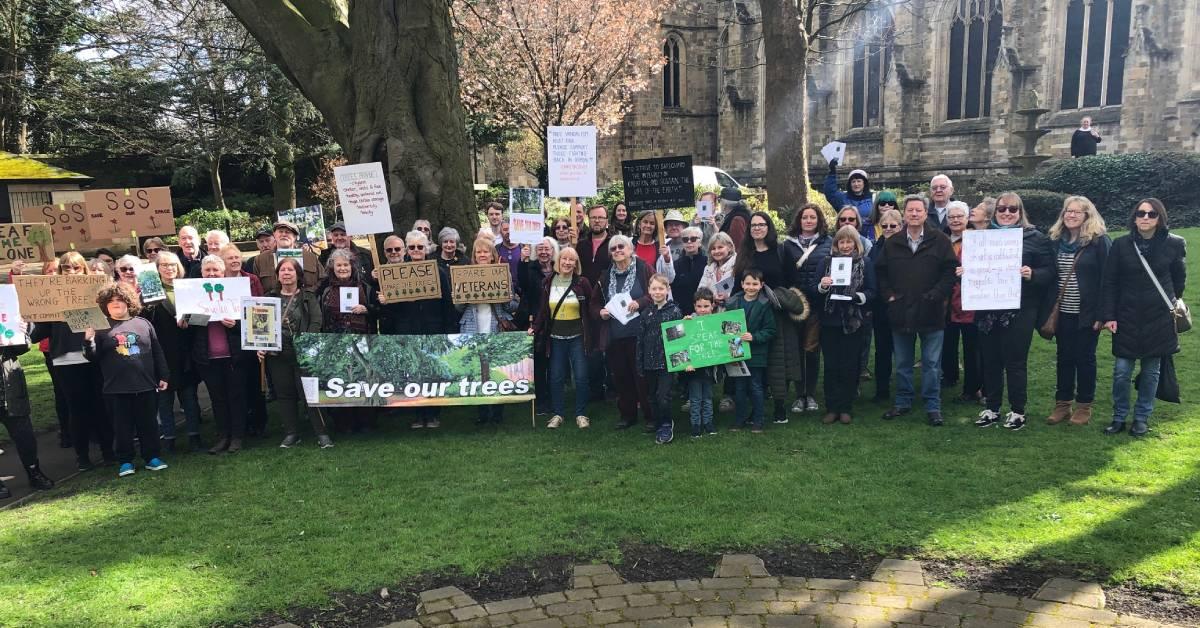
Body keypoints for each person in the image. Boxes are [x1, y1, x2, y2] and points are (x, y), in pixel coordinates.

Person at [1098, 198, 1186, 437]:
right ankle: (1119, 417)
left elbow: (1179, 280)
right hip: (1126, 315)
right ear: (1134, 217)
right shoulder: (1121, 245)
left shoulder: (1174, 244)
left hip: (1158, 317)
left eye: (1151, 214)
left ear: (1160, 218)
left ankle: (1141, 417)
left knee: (1151, 371)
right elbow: (1110, 282)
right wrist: (1109, 315)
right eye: (1140, 213)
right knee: (1122, 371)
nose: (1145, 218)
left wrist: (1168, 303)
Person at [969, 192, 1054, 431]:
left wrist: (1033, 274)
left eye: (1012, 209)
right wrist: (966, 273)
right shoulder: (983, 238)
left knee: (1015, 361)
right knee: (991, 360)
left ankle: (1017, 410)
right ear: (995, 212)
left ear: (1020, 212)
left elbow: (1050, 272)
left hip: (1020, 309)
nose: (1007, 213)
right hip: (988, 309)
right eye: (1002, 209)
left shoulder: (1035, 238)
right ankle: (992, 407)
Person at [876, 195, 957, 426]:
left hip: (931, 310)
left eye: (918, 211)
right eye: (910, 210)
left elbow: (950, 271)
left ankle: (933, 405)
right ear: (904, 214)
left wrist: (937, 294)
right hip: (900, 310)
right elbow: (881, 272)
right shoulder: (892, 242)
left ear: (925, 213)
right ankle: (903, 401)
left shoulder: (940, 240)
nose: (914, 214)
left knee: (932, 363)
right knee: (903, 362)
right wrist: (889, 295)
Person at [29, 252, 115, 471]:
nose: (71, 272)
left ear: (83, 270)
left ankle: (108, 451)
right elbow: (39, 332)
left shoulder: (95, 293)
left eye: (76, 268)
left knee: (100, 405)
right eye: (66, 268)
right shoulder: (52, 297)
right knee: (77, 409)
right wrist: (26, 321)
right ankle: (82, 456)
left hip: (94, 356)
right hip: (66, 359)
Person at [84, 283, 170, 478]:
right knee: (122, 428)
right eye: (111, 301)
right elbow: (92, 357)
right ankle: (125, 460)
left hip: (145, 385)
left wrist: (163, 375)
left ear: (128, 302)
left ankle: (152, 457)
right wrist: (88, 341)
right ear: (104, 305)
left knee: (148, 424)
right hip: (117, 388)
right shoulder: (101, 328)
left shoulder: (143, 324)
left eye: (119, 300)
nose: (115, 304)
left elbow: (157, 351)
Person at [1045, 196, 1111, 426]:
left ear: (1087, 216)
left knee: (1085, 358)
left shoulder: (1099, 242)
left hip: (1087, 313)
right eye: (1067, 211)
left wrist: (1103, 314)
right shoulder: (1055, 240)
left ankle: (1084, 405)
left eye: (1077, 212)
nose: (1071, 215)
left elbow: (1108, 279)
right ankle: (1062, 404)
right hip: (1062, 312)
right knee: (1064, 358)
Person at [264, 257, 333, 448]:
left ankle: (322, 433)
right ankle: (291, 433)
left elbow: (316, 321)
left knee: (310, 394)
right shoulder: (269, 298)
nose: (286, 273)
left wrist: (307, 344)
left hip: (304, 353)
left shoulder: (308, 296)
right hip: (278, 354)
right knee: (284, 394)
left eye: (290, 270)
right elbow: (260, 326)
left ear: (298, 274)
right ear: (277, 275)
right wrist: (262, 345)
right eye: (283, 270)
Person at [185, 256, 249, 454]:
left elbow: (250, 322)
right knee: (217, 399)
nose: (212, 274)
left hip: (233, 356)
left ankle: (237, 437)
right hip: (207, 358)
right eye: (208, 270)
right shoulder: (193, 295)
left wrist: (236, 325)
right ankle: (223, 436)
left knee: (236, 397)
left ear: (223, 273)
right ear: (202, 273)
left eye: (216, 270)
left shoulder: (235, 292)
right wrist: (184, 322)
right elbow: (190, 329)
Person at [142, 251, 204, 452]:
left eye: (173, 265)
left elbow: (202, 316)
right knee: (164, 399)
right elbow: (144, 321)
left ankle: (194, 435)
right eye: (164, 265)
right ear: (157, 268)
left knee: (189, 397)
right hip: (161, 353)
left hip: (185, 351)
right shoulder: (149, 291)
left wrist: (190, 320)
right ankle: (169, 438)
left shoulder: (188, 288)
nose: (169, 269)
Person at [816, 225, 876, 424]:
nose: (845, 245)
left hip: (854, 321)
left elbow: (872, 291)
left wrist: (858, 296)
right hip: (830, 321)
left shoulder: (865, 263)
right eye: (841, 241)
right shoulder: (826, 263)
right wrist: (823, 286)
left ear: (856, 243)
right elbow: (814, 290)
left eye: (849, 241)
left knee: (850, 365)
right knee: (831, 366)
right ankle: (832, 407)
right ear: (836, 244)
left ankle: (846, 407)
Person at [592, 234, 653, 430]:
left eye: (621, 246)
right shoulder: (605, 276)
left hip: (640, 334)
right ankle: (627, 415)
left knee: (642, 378)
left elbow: (658, 291)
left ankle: (651, 416)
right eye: (613, 248)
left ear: (630, 249)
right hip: (615, 336)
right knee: (621, 377)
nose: (617, 250)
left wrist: (640, 302)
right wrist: (600, 312)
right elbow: (594, 304)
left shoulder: (643, 268)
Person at [529, 246, 592, 429]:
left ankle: (581, 414)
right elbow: (543, 310)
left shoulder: (582, 283)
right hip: (555, 337)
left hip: (578, 337)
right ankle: (558, 414)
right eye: (564, 258)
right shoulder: (548, 281)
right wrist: (535, 327)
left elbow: (588, 310)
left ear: (576, 263)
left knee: (580, 376)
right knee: (555, 377)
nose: (567, 262)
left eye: (571, 260)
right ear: (558, 261)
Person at [458, 237, 519, 425]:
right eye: (479, 252)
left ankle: (497, 412)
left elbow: (512, 306)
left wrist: (507, 297)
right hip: (472, 325)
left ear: (493, 255)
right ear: (474, 256)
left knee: (495, 368)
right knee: (478, 370)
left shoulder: (503, 274)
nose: (482, 255)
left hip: (497, 325)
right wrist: (458, 298)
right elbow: (459, 309)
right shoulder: (464, 275)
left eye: (486, 252)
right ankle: (482, 412)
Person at [320, 248, 380, 432]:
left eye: (346, 264)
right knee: (341, 381)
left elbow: (380, 311)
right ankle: (344, 422)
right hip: (335, 343)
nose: (343, 268)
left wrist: (367, 309)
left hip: (362, 342)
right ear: (332, 267)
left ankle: (366, 422)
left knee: (363, 381)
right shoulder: (325, 289)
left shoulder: (366, 287)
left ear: (352, 267)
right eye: (339, 265)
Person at [780, 203, 831, 414]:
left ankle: (810, 394)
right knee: (795, 351)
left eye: (812, 217)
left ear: (818, 220)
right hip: (794, 305)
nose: (808, 221)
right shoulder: (787, 246)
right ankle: (799, 394)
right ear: (798, 221)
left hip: (817, 304)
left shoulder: (828, 243)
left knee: (811, 350)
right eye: (804, 217)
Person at [220, 244, 268, 436]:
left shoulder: (252, 279)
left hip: (252, 332)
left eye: (237, 257)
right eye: (230, 258)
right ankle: (243, 423)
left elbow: (261, 305)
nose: (234, 261)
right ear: (223, 261)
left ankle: (259, 423)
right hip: (228, 338)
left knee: (256, 383)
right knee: (237, 387)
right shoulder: (219, 282)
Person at [0, 338, 55, 498]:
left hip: (10, 388)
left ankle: (34, 472)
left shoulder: (6, 315)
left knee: (25, 437)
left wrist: (20, 333)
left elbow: (23, 347)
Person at [726, 269, 776, 433]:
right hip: (737, 351)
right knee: (739, 388)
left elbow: (770, 330)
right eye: (747, 283)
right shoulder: (733, 302)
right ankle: (739, 419)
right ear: (742, 284)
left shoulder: (765, 304)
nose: (751, 287)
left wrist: (754, 337)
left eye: (755, 284)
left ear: (761, 285)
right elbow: (725, 327)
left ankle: (758, 420)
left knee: (755, 386)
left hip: (757, 354)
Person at [941, 201, 982, 402]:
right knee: (947, 341)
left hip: (970, 300)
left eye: (960, 216)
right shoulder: (942, 240)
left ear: (967, 219)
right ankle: (949, 376)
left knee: (971, 345)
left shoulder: (977, 240)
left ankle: (972, 388)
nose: (955, 220)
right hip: (946, 300)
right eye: (951, 217)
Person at [636, 273, 682, 444]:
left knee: (663, 397)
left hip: (667, 364)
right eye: (654, 288)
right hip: (649, 363)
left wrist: (679, 362)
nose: (657, 292)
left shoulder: (674, 311)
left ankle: (666, 424)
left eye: (661, 288)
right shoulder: (646, 313)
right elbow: (640, 340)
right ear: (649, 290)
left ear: (667, 290)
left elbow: (679, 340)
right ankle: (657, 421)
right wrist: (639, 363)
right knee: (652, 397)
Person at [868, 209, 902, 402]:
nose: (888, 229)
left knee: (902, 350)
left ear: (900, 226)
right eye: (885, 226)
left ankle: (903, 390)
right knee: (882, 349)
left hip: (902, 305)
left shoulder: (906, 246)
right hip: (881, 306)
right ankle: (882, 390)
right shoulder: (875, 248)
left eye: (893, 226)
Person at [682, 288, 718, 437]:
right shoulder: (689, 321)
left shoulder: (716, 322)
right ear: (694, 306)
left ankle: (708, 424)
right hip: (694, 369)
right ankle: (695, 425)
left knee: (708, 398)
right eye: (699, 306)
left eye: (706, 306)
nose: (702, 310)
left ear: (712, 306)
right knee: (695, 399)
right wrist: (684, 324)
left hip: (709, 368)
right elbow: (681, 344)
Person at [255, 221, 324, 293]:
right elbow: (256, 286)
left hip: (304, 302)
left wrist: (309, 294)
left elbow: (322, 280)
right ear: (274, 235)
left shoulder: (310, 257)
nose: (284, 234)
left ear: (295, 237)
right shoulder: (260, 260)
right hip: (273, 302)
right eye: (280, 232)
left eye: (288, 232)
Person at [823, 160, 875, 240]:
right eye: (853, 181)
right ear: (850, 184)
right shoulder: (842, 198)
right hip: (847, 238)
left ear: (864, 183)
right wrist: (832, 172)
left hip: (869, 237)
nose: (856, 184)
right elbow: (830, 192)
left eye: (859, 181)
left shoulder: (873, 198)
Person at [733, 211, 783, 288]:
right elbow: (737, 284)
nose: (757, 228)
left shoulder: (781, 251)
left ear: (768, 227)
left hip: (776, 298)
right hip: (749, 299)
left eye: (761, 225)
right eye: (753, 225)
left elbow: (791, 280)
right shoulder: (744, 253)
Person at [672, 226, 707, 316]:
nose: (689, 242)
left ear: (700, 242)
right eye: (685, 239)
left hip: (704, 312)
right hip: (682, 314)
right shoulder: (675, 265)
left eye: (693, 239)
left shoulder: (708, 263)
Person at [633, 211, 676, 281]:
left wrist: (667, 259)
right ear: (639, 224)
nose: (648, 225)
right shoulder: (629, 244)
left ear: (655, 227)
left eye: (652, 223)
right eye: (645, 222)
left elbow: (670, 279)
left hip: (655, 290)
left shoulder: (662, 246)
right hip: (635, 290)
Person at [718, 186, 751, 252]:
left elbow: (737, 246)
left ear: (724, 204)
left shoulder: (737, 220)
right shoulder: (739, 215)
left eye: (720, 201)